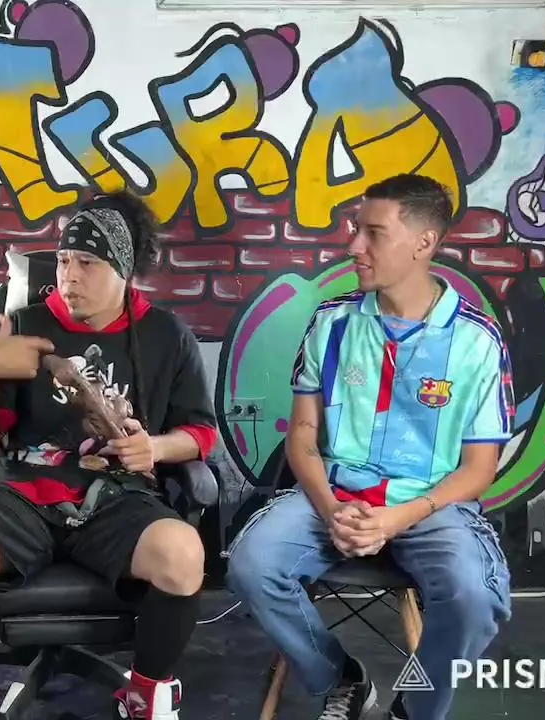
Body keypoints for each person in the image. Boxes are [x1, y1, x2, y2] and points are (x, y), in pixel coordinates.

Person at [225, 174, 514, 720]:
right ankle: (341, 678)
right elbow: (302, 437)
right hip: (334, 495)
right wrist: (332, 510)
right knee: (251, 565)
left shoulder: (477, 341)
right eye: (356, 229)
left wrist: (396, 518)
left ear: (424, 243)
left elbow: (479, 470)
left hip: (430, 505)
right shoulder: (330, 323)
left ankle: (414, 708)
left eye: (373, 232)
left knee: (474, 596)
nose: (354, 245)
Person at [0, 192, 219, 720]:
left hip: (118, 495)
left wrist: (154, 447)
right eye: (63, 261)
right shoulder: (25, 324)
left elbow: (200, 432)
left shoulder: (165, 335)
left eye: (87, 262)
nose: (69, 275)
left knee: (182, 554)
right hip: (22, 491)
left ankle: (145, 696)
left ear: (122, 270)